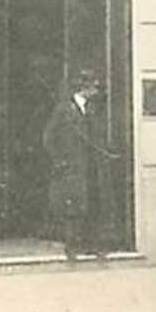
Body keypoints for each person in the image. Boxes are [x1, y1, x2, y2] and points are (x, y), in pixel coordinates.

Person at [42, 69, 115, 262]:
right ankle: (72, 248)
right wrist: (61, 161)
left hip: (91, 169)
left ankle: (94, 246)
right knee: (73, 210)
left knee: (93, 206)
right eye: (93, 87)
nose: (96, 91)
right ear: (85, 88)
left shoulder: (92, 110)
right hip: (72, 169)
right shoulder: (63, 109)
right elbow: (48, 138)